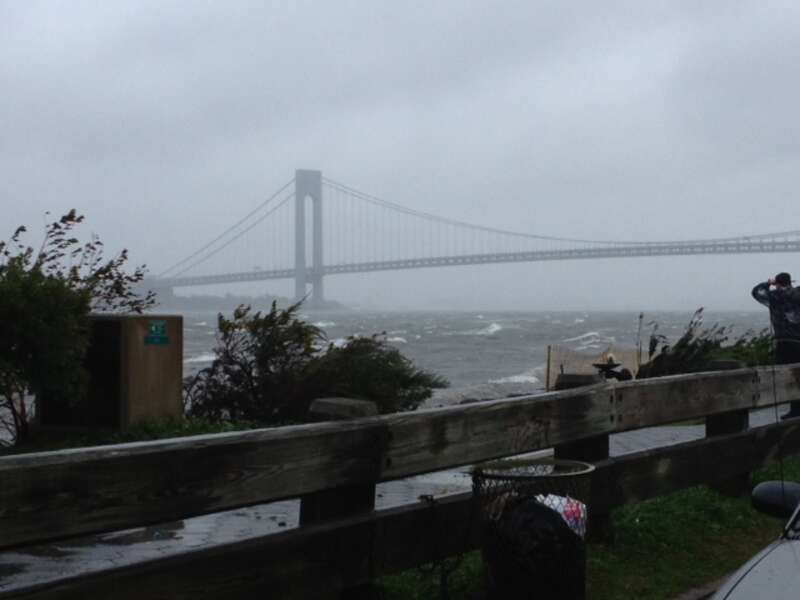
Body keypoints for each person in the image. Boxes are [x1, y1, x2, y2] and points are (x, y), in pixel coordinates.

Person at [752, 272, 800, 418]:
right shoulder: (797, 294)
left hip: (782, 341)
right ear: (790, 282)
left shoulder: (773, 296)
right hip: (799, 341)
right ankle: (797, 409)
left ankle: (794, 409)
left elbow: (756, 292)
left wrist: (768, 283)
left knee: (787, 376)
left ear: (777, 283)